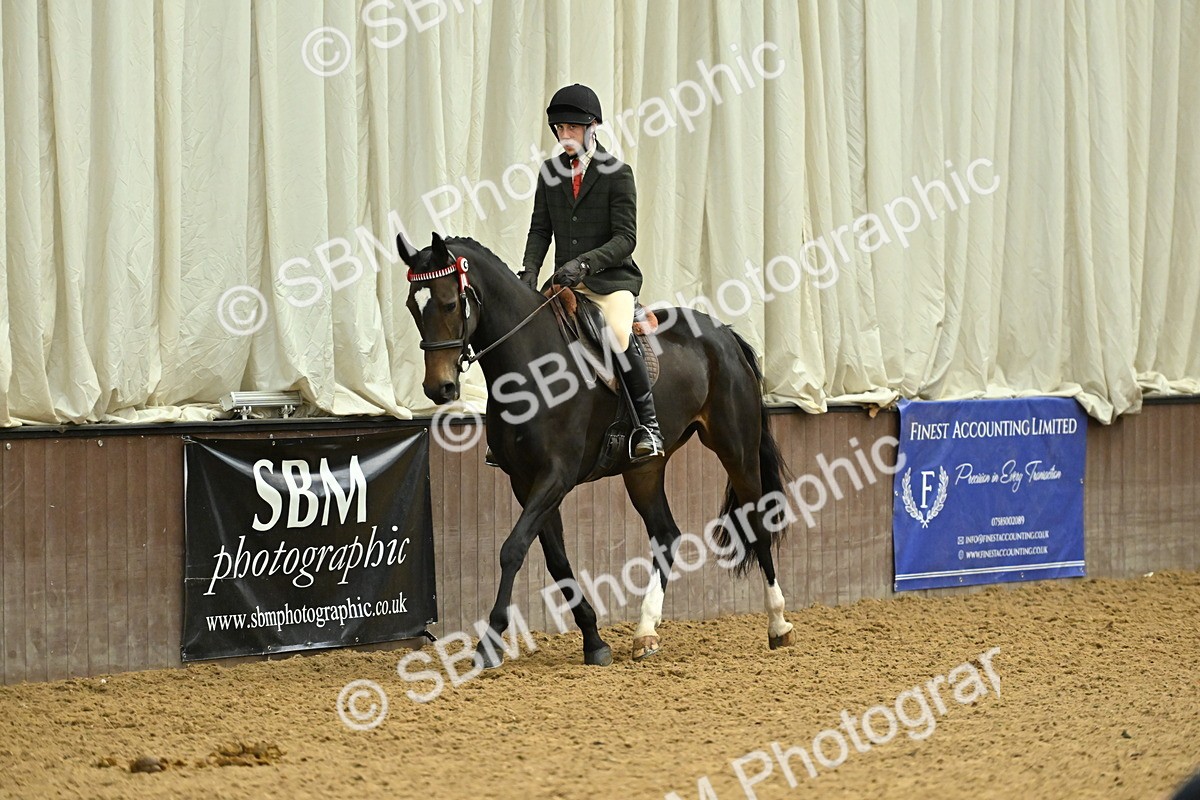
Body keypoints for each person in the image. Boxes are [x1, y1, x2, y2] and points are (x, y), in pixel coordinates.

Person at [513, 83, 663, 463]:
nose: (565, 136)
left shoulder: (617, 173)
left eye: (573, 129)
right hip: (564, 282)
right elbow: (539, 230)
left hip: (609, 282)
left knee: (615, 333)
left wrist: (584, 264)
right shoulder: (550, 173)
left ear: (592, 126)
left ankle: (648, 427)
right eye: (560, 129)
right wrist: (529, 273)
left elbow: (625, 238)